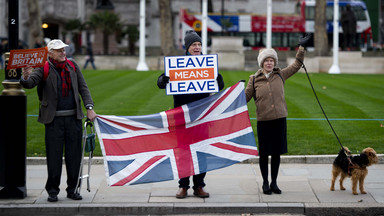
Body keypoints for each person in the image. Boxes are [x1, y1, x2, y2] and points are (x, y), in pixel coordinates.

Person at [20, 39, 97, 202]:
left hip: (73, 119)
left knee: (74, 157)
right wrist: (25, 75)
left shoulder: (73, 65)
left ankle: (73, 189)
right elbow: (29, 84)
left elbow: (83, 87)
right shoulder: (43, 68)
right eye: (59, 50)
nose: (63, 53)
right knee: (54, 157)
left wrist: (89, 107)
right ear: (50, 53)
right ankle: (53, 191)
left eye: (64, 50)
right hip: (53, 120)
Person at [157, 30, 225, 199]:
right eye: (194, 44)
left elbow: (220, 84)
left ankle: (199, 185)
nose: (197, 47)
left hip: (202, 116)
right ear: (187, 47)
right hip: (182, 116)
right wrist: (162, 79)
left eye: (199, 44)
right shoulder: (177, 64)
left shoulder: (208, 64)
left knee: (201, 151)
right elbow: (161, 81)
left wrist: (217, 77)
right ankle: (183, 186)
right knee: (184, 151)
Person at [244, 34, 312, 195]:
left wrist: (301, 48)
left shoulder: (281, 74)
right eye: (266, 60)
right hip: (264, 121)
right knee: (264, 154)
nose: (269, 63)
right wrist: (236, 91)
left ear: (274, 62)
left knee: (276, 153)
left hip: (279, 120)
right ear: (261, 63)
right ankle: (265, 183)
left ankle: (274, 182)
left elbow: (297, 64)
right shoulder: (254, 79)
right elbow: (244, 98)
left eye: (271, 60)